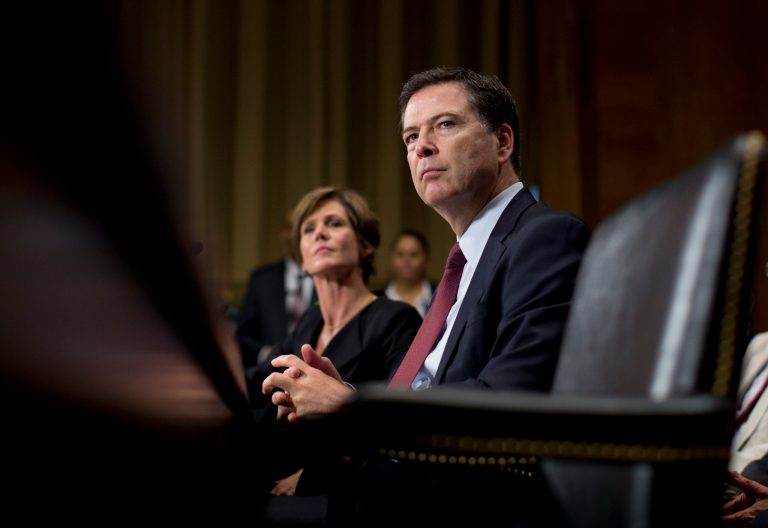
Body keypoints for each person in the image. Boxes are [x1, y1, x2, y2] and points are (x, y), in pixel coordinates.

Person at [261, 67, 590, 524]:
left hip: (460, 504)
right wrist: (346, 393)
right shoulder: (468, 262)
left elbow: (513, 402)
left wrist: (353, 408)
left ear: (503, 143)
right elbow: (431, 391)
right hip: (394, 485)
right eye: (410, 137)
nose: (421, 146)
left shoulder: (543, 237)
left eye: (445, 125)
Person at [248, 186, 422, 523]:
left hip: (356, 494)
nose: (320, 234)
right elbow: (257, 383)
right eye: (309, 229)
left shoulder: (396, 318)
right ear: (301, 255)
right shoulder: (309, 323)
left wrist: (309, 476)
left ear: (365, 245)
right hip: (286, 476)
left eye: (334, 223)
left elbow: (400, 425)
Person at [236, 211, 316, 369]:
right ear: (283, 234)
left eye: (305, 228)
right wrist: (264, 353)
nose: (296, 235)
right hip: (268, 372)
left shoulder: (328, 277)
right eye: (292, 228)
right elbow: (243, 335)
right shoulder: (262, 279)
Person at [383, 229, 435, 317]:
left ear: (426, 260)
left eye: (413, 254)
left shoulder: (440, 297)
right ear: (391, 258)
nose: (406, 261)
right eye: (400, 254)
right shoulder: (378, 300)